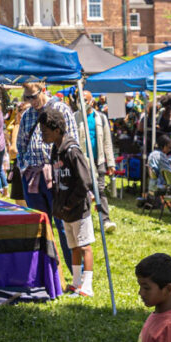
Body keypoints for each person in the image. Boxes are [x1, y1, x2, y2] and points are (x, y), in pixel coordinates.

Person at [16, 80, 79, 271]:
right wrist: (24, 167)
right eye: (27, 97)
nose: (31, 101)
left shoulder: (60, 109)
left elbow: (72, 141)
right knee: (40, 228)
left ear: (43, 89)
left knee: (63, 226)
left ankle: (76, 273)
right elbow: (20, 145)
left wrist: (66, 172)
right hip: (33, 176)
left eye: (33, 96)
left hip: (55, 174)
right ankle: (48, 273)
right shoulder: (27, 115)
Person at [38, 107, 96, 298]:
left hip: (78, 208)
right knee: (73, 246)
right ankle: (76, 282)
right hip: (65, 210)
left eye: (45, 131)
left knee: (84, 245)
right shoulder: (56, 150)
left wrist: (71, 203)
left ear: (57, 130)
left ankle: (87, 285)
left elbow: (85, 181)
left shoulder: (72, 151)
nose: (42, 135)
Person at [76, 91, 116, 232]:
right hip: (82, 161)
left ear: (92, 101)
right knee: (83, 190)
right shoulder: (76, 117)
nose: (82, 102)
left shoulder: (101, 118)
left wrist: (110, 163)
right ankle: (84, 220)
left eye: (85, 100)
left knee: (100, 190)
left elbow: (107, 142)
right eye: (79, 99)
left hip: (98, 159)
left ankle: (105, 220)